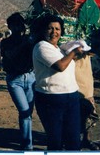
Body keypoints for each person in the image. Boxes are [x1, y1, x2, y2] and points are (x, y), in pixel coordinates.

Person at [32, 14, 84, 150]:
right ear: (43, 30)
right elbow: (60, 66)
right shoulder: (41, 47)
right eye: (50, 28)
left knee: (73, 139)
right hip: (51, 98)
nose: (54, 32)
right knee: (56, 140)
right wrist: (73, 53)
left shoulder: (60, 49)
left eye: (57, 29)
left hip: (71, 96)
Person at [1, 12, 35, 150]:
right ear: (10, 26)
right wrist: (25, 43)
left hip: (31, 77)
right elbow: (10, 54)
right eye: (14, 25)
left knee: (27, 114)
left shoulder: (29, 40)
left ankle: (25, 141)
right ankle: (28, 146)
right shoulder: (6, 42)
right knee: (25, 111)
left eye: (19, 24)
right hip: (15, 80)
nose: (17, 28)